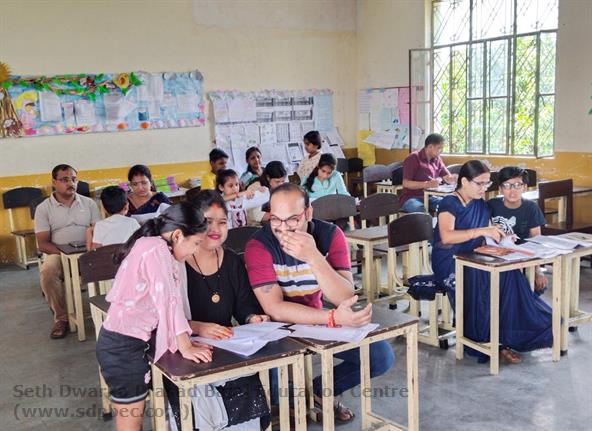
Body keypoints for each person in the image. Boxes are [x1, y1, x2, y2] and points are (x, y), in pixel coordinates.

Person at [244, 183, 394, 423]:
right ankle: (292, 402)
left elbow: (344, 296)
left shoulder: (330, 235)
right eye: (276, 220)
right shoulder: (259, 245)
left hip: (314, 318)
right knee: (271, 382)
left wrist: (313, 257)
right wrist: (332, 317)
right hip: (272, 327)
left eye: (293, 220)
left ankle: (317, 392)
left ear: (308, 213)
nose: (283, 228)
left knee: (379, 357)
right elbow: (275, 309)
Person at [96, 203, 213, 431]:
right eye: (196, 243)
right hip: (122, 348)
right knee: (130, 425)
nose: (195, 250)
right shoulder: (156, 249)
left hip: (133, 343)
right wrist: (185, 346)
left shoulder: (153, 245)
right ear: (178, 235)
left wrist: (185, 341)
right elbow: (168, 301)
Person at [165, 190, 271, 430]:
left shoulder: (232, 260)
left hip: (224, 348)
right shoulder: (174, 263)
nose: (215, 229)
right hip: (184, 353)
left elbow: (243, 305)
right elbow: (162, 319)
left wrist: (252, 317)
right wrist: (198, 327)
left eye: (222, 222)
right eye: (207, 221)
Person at [431, 160, 552, 364]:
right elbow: (447, 237)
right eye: (480, 183)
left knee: (509, 274)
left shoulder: (479, 203)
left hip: (475, 255)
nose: (484, 188)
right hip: (450, 260)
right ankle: (483, 339)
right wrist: (481, 231)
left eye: (487, 184)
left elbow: (488, 235)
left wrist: (504, 241)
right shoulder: (450, 203)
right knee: (485, 281)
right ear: (464, 181)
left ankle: (505, 336)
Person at [34, 164, 101, 339]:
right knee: (48, 272)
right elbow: (42, 243)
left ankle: (108, 311)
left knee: (115, 262)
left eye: (74, 179)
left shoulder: (89, 203)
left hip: (87, 251)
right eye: (65, 180)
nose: (71, 183)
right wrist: (66, 255)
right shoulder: (43, 208)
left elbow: (98, 232)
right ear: (54, 182)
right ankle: (61, 318)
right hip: (58, 253)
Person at [488, 166, 548, 293]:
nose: (513, 190)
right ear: (500, 188)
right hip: (497, 257)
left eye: (517, 185)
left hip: (522, 258)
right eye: (507, 185)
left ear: (525, 187)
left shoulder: (531, 208)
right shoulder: (491, 205)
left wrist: (538, 271)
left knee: (536, 287)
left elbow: (536, 241)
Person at [400, 133, 456, 213]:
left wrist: (451, 179)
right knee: (421, 211)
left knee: (450, 205)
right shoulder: (413, 158)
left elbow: (447, 175)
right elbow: (406, 183)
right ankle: (428, 221)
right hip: (411, 198)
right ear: (430, 147)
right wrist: (427, 184)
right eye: (439, 148)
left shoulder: (437, 159)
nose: (441, 151)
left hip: (429, 197)